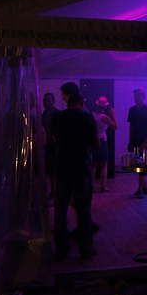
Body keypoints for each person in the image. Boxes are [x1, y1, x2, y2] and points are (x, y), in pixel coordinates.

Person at [51, 94, 99, 260]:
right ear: (81, 102)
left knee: (60, 210)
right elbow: (96, 143)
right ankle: (85, 249)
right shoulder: (87, 117)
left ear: (67, 103)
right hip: (80, 167)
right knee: (83, 209)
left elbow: (54, 139)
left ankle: (62, 249)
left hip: (61, 167)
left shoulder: (58, 117)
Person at [128, 89, 147, 198]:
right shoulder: (132, 110)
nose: (136, 97)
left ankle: (140, 189)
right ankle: (145, 187)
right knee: (138, 164)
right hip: (136, 139)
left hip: (145, 140)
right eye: (135, 95)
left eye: (138, 95)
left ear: (143, 97)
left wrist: (146, 142)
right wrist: (131, 139)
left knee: (143, 164)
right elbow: (131, 125)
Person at [92, 97, 117, 193]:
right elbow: (115, 126)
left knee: (93, 165)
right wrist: (113, 114)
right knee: (103, 165)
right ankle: (103, 186)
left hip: (94, 140)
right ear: (105, 106)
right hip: (102, 140)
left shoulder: (92, 116)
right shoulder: (105, 118)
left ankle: (90, 185)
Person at [42, 93, 59, 203]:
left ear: (53, 101)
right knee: (51, 170)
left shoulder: (56, 114)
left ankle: (55, 192)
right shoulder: (44, 114)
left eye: (48, 100)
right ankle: (54, 192)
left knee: (53, 170)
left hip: (54, 145)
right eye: (45, 100)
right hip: (49, 145)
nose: (46, 103)